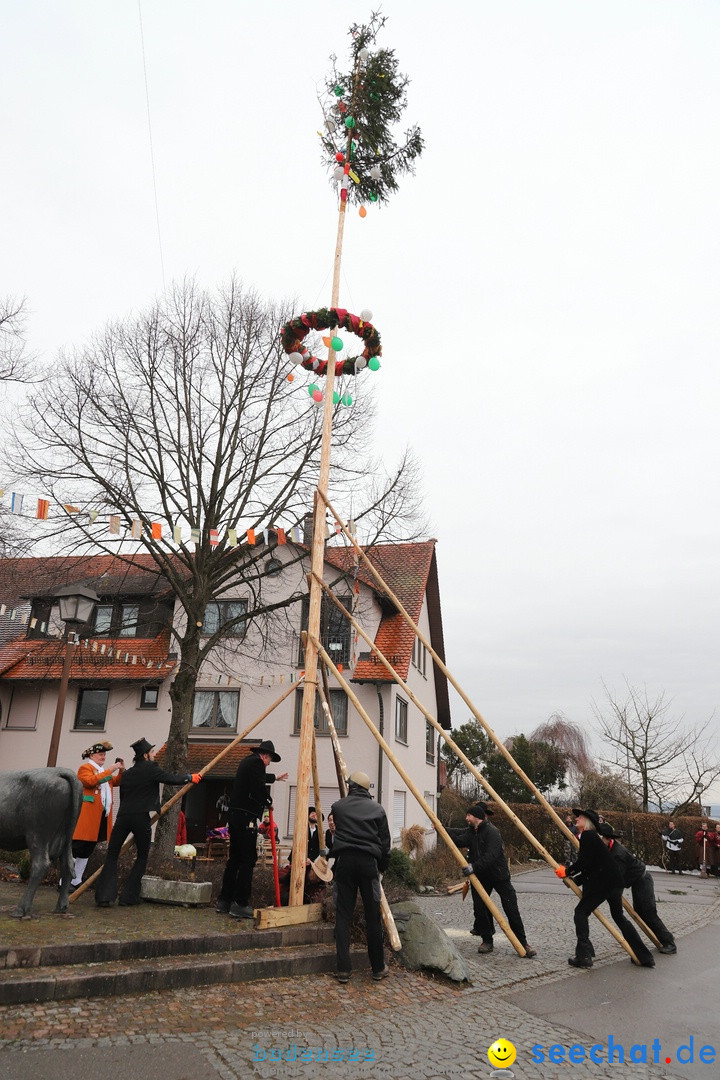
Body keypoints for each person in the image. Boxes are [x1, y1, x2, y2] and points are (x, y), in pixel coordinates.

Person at [94, 738, 201, 907]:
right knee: (142, 857)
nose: (153, 755)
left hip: (122, 818)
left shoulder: (127, 774)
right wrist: (189, 777)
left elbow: (123, 795)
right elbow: (169, 778)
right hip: (140, 818)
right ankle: (128, 897)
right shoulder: (151, 768)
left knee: (112, 855)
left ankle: (104, 897)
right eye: (151, 752)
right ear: (145, 755)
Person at [555, 808, 655, 969]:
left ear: (587, 821)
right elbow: (591, 865)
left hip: (604, 883)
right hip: (613, 883)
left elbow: (584, 863)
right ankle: (644, 956)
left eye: (579, 817)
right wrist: (575, 880)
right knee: (619, 917)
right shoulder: (590, 837)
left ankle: (584, 956)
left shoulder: (588, 835)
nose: (576, 819)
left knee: (580, 913)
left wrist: (566, 871)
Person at [448, 802, 536, 958]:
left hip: (499, 876)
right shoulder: (472, 832)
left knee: (511, 910)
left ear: (476, 817)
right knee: (479, 909)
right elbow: (458, 838)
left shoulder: (492, 832)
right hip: (481, 878)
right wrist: (440, 829)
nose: (466, 818)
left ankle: (523, 943)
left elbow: (491, 855)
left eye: (468, 815)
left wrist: (473, 867)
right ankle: (487, 941)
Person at [330, 770, 391, 984]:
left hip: (344, 863)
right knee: (373, 917)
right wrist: (381, 869)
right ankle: (377, 968)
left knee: (343, 915)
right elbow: (385, 844)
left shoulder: (338, 807)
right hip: (368, 864)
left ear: (352, 786)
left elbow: (338, 830)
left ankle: (344, 970)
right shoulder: (378, 809)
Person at [215, 739, 288, 919]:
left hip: (235, 816)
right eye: (269, 760)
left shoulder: (247, 762)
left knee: (235, 859)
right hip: (246, 817)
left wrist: (274, 778)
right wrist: (268, 801)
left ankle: (225, 900)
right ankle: (240, 903)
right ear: (265, 756)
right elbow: (258, 787)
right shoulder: (256, 763)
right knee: (248, 859)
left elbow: (257, 779)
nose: (268, 763)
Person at [597, 822, 676, 954]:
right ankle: (664, 938)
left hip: (643, 880)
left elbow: (618, 879)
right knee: (640, 911)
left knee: (648, 912)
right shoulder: (610, 850)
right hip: (636, 882)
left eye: (601, 839)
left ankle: (669, 942)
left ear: (608, 839)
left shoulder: (618, 853)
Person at [66, 741, 124, 890]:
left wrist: (121, 770)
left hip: (99, 816)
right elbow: (90, 781)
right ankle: (64, 881)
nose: (103, 757)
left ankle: (76, 880)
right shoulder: (86, 768)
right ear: (92, 755)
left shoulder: (102, 770)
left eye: (104, 754)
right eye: (100, 754)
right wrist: (110, 770)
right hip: (86, 816)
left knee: (87, 850)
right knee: (76, 848)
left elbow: (115, 782)